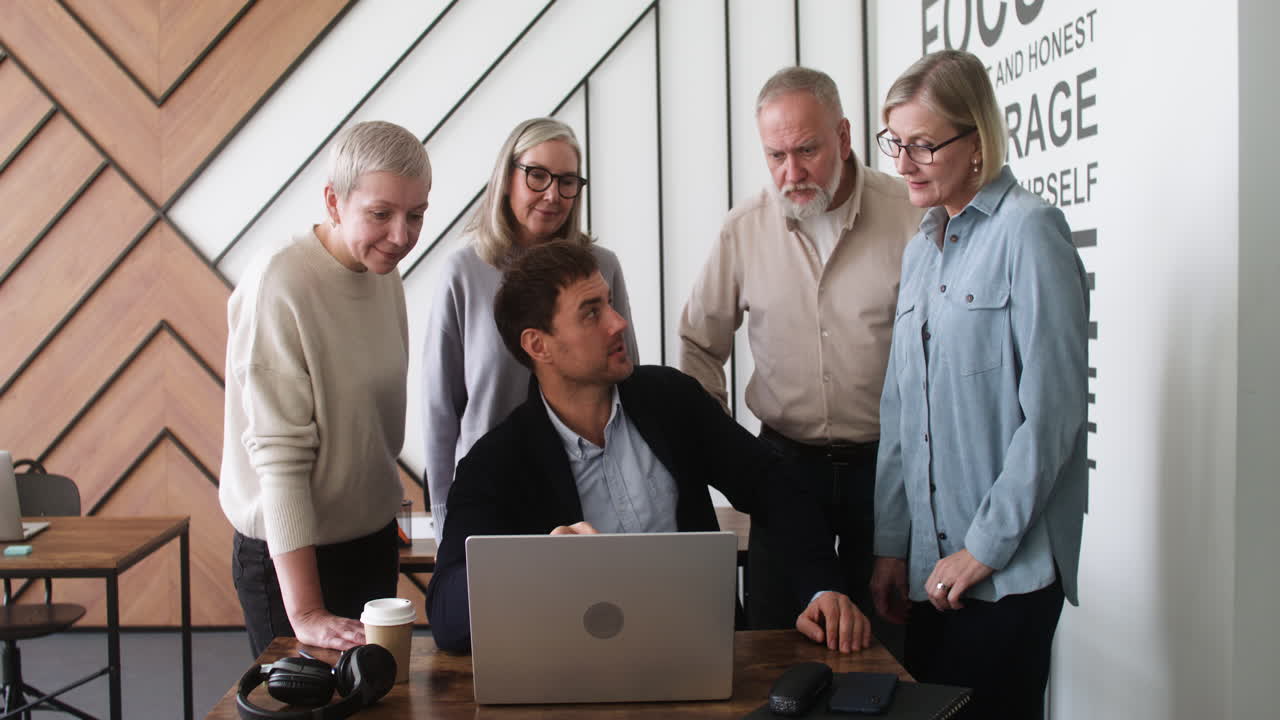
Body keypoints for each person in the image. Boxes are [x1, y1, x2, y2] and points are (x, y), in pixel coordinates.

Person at [424, 240, 869, 654]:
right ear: (538, 345)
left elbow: (772, 483)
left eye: (611, 305)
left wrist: (821, 587)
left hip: (703, 651)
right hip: (573, 669)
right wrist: (536, 566)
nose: (618, 323)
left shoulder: (672, 399)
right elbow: (445, 616)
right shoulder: (494, 464)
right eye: (591, 313)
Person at [870, 49, 1089, 719]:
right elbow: (903, 411)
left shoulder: (1030, 232)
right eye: (895, 143)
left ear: (976, 143)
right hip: (931, 570)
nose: (903, 163)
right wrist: (890, 545)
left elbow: (1052, 418)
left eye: (923, 146)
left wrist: (982, 552)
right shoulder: (919, 247)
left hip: (1007, 575)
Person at [678, 66, 924, 640]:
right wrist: (721, 450)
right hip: (783, 466)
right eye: (775, 156)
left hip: (887, 470)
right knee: (776, 641)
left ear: (843, 136)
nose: (792, 173)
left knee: (885, 642)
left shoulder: (909, 215)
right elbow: (697, 343)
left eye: (807, 149)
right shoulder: (744, 228)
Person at [219, 121, 430, 657]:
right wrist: (307, 612)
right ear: (334, 202)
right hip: (293, 560)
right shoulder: (281, 282)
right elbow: (281, 459)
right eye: (380, 214)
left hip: (371, 541)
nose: (401, 236)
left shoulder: (384, 273)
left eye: (416, 214)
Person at [421, 117, 638, 544]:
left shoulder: (602, 267)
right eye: (537, 176)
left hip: (587, 486)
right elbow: (439, 406)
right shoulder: (463, 272)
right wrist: (444, 509)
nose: (552, 195)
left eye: (567, 181)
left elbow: (626, 381)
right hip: (492, 491)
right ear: (507, 178)